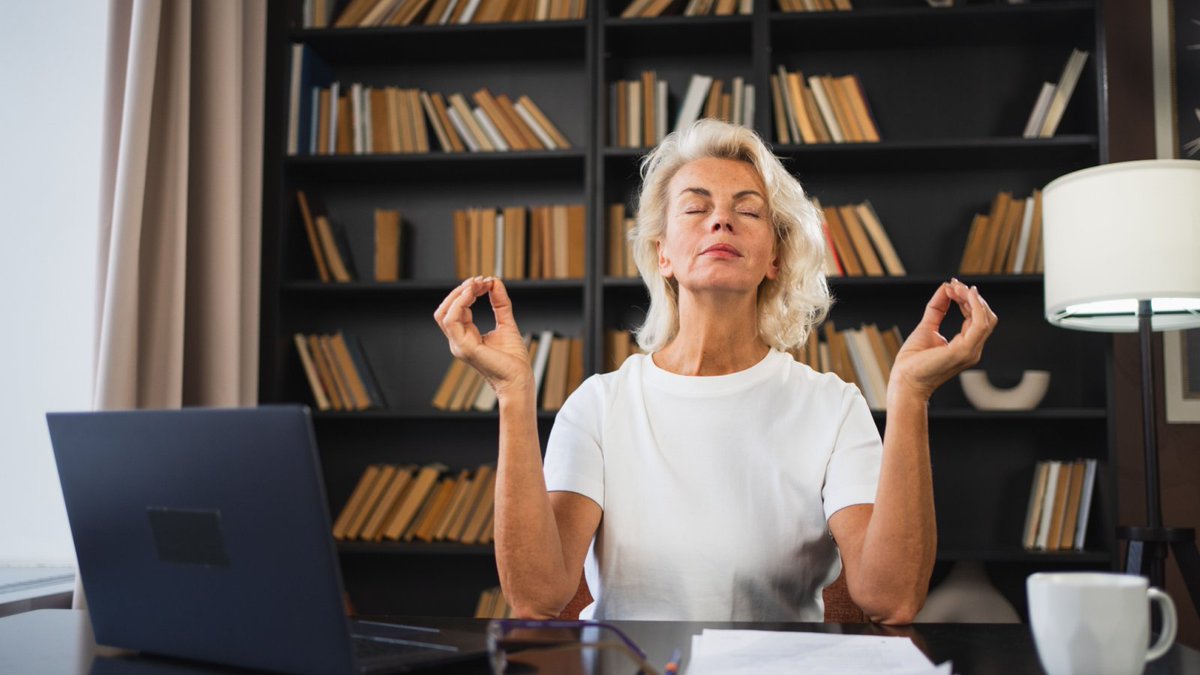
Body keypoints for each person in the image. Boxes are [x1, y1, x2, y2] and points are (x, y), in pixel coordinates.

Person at [433, 119, 997, 624]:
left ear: (775, 258)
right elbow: (538, 597)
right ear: (663, 254)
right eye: (695, 208)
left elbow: (890, 599)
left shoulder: (833, 406)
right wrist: (512, 392)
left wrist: (911, 394)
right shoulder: (599, 404)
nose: (721, 220)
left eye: (747, 211)